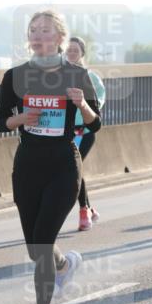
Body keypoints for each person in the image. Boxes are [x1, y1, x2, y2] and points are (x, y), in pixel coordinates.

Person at [0, 10, 100, 304]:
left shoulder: (76, 74)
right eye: (33, 30)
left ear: (60, 38)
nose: (38, 35)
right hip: (28, 166)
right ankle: (64, 265)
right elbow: (1, 121)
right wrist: (22, 118)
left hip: (63, 165)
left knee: (42, 241)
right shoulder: (15, 76)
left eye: (45, 30)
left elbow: (95, 123)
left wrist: (82, 105)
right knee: (35, 248)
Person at [64, 36, 106, 231]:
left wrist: (83, 108)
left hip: (85, 131)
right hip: (65, 132)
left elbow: (98, 103)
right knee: (73, 170)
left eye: (75, 50)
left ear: (82, 53)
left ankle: (83, 211)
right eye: (69, 50)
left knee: (75, 168)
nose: (72, 53)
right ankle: (88, 208)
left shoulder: (90, 77)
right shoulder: (59, 76)